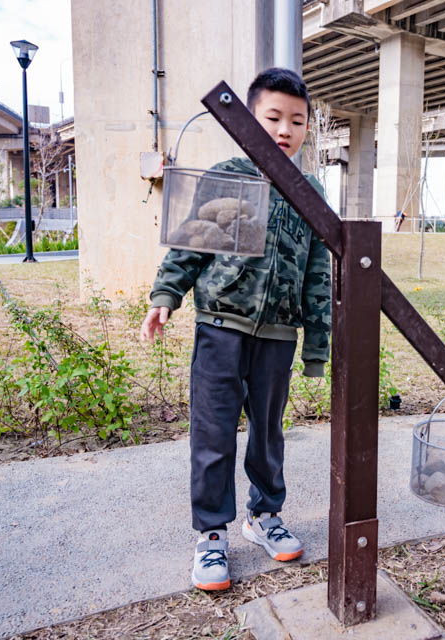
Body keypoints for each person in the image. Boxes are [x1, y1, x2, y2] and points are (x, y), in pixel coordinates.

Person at [140, 68, 331, 592]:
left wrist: (317, 345)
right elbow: (191, 243)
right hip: (220, 329)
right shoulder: (226, 175)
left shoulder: (310, 192)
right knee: (214, 433)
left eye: (296, 120)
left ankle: (264, 515)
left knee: (268, 434)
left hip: (277, 337)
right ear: (248, 118)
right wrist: (165, 297)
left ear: (307, 128)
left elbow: (319, 273)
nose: (284, 129)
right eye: (272, 117)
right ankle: (211, 535)